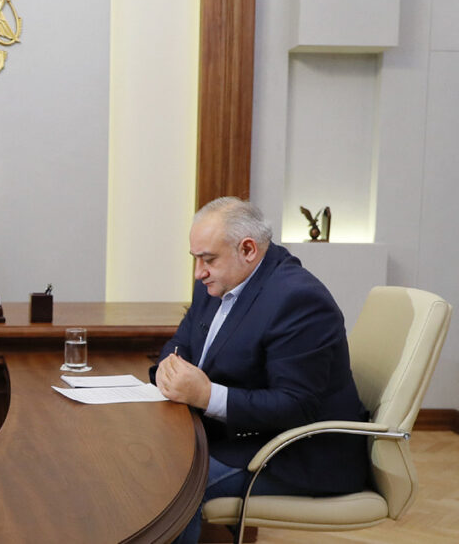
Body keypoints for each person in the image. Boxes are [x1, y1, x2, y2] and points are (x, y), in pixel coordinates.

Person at [151, 197, 369, 543]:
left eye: (208, 259)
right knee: (142, 461)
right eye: (195, 259)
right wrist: (168, 368)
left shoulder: (299, 300)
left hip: (296, 455)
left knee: (169, 487)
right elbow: (183, 341)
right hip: (238, 436)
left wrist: (206, 395)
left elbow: (296, 406)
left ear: (248, 249)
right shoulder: (215, 282)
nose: (198, 272)